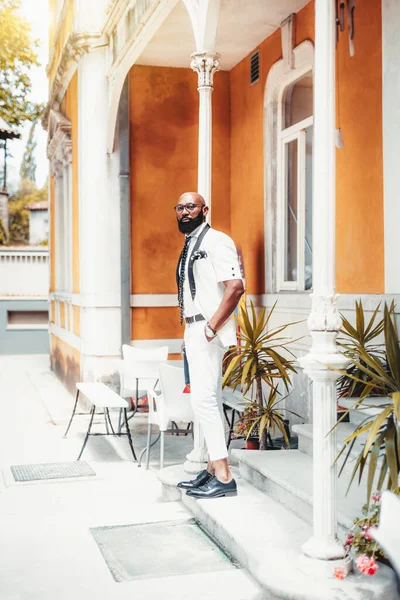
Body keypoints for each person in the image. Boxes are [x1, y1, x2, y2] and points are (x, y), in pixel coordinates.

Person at [175, 192, 244, 499]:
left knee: (203, 400)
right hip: (194, 328)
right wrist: (190, 331)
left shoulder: (217, 241)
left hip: (207, 329)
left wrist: (210, 327)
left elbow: (235, 287)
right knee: (207, 400)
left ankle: (225, 476)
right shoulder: (190, 243)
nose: (184, 212)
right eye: (179, 208)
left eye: (190, 206)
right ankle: (212, 469)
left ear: (204, 210)